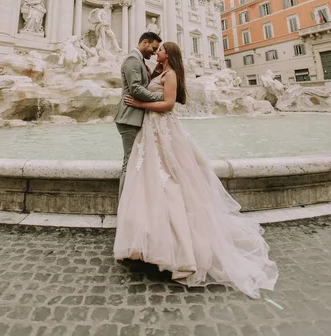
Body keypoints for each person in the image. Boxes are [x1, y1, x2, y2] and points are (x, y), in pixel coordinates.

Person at [114, 42, 278, 299]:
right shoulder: (161, 72)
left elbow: (168, 104)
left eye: (160, 50)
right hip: (152, 131)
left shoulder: (172, 75)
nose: (156, 52)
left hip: (162, 129)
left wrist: (140, 104)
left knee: (170, 181)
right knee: (152, 180)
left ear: (168, 54)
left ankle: (171, 247)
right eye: (155, 49)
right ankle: (146, 241)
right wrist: (155, 73)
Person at [114, 32, 164, 198]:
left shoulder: (139, 61)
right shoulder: (132, 60)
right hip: (129, 118)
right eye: (153, 48)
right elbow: (135, 88)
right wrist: (162, 97)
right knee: (129, 163)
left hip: (134, 118)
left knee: (135, 161)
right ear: (145, 42)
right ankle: (123, 204)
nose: (155, 52)